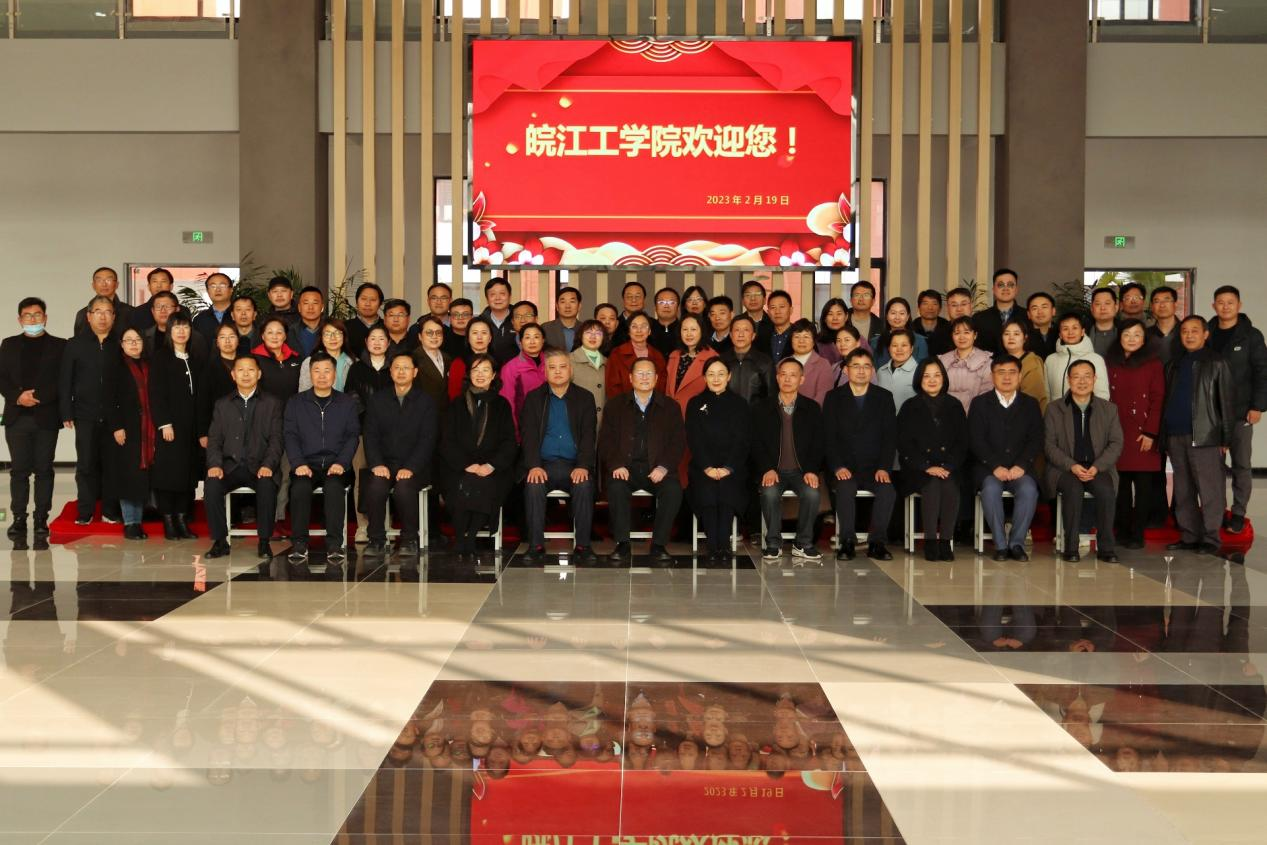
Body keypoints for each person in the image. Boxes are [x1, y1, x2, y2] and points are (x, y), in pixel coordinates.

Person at [600, 358, 686, 564]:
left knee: (673, 491)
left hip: (657, 468)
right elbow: (606, 440)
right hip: (625, 468)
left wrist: (663, 467)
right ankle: (622, 543)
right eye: (640, 373)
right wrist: (617, 464)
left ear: (656, 379)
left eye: (649, 374)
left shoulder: (670, 407)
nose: (644, 377)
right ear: (631, 378)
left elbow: (678, 442)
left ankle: (658, 545)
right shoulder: (615, 405)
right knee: (616, 488)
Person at [1163, 316, 1235, 555]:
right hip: (1176, 435)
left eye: (1195, 331)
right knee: (1183, 490)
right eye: (1184, 331)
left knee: (1209, 489)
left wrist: (1225, 438)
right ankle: (1189, 536)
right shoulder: (1174, 364)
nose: (1189, 335)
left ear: (1205, 334)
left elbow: (1226, 402)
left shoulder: (1217, 362)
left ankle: (1211, 538)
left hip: (1205, 436)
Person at [519, 350, 599, 564]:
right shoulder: (534, 398)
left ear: (571, 370)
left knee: (584, 485)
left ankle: (583, 546)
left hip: (574, 465)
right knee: (533, 485)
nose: (557, 371)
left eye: (562, 367)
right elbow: (528, 436)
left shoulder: (585, 398)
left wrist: (583, 465)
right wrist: (534, 465)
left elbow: (589, 436)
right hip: (543, 465)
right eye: (552, 367)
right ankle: (535, 546)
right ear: (545, 372)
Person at [204, 355, 285, 559]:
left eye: (251, 370)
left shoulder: (272, 403)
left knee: (267, 485)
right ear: (233, 375)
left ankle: (264, 542)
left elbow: (277, 440)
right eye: (240, 370)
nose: (246, 374)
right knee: (212, 485)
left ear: (259, 374)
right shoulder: (223, 404)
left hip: (259, 466)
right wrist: (215, 465)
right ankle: (220, 541)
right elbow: (214, 440)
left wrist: (268, 465)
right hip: (230, 466)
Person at [283, 351, 360, 562]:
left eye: (327, 371)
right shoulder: (296, 402)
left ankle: (334, 545)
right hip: (306, 464)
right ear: (310, 374)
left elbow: (352, 436)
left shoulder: (347, 403)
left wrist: (342, 462)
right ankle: (299, 544)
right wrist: (298, 463)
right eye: (317, 371)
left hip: (337, 465)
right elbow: (290, 435)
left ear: (335, 374)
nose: (322, 375)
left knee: (334, 488)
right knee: (299, 489)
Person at [1044, 360, 1124, 563]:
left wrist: (1098, 466)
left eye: (1087, 376)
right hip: (1065, 469)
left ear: (1095, 379)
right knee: (1073, 490)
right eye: (1076, 377)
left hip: (1098, 468)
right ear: (1069, 380)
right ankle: (1071, 548)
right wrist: (1071, 465)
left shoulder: (1109, 409)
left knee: (1106, 491)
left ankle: (1106, 548)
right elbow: (1048, 445)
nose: (1082, 381)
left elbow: (1116, 443)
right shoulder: (1054, 409)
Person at [1, 297, 66, 548]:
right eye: (27, 315)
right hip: (16, 417)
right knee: (19, 471)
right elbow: (2, 377)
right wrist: (18, 397)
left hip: (46, 416)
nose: (33, 319)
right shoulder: (9, 344)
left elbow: (63, 380)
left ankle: (41, 519)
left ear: (45, 318)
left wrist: (36, 397)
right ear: (20, 320)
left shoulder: (60, 346)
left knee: (43, 470)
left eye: (37, 315)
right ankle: (19, 518)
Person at [360, 352, 438, 558]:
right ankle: (376, 539)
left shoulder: (426, 402)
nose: (401, 372)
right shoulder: (378, 400)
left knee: (404, 489)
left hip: (416, 467)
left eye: (406, 368)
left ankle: (409, 539)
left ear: (415, 372)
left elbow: (427, 440)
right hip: (385, 464)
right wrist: (376, 463)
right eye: (397, 367)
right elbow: (370, 435)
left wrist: (411, 467)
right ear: (391, 372)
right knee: (375, 486)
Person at [968, 355, 1044, 562]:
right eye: (1001, 372)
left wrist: (1022, 465)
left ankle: (1016, 543)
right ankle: (1000, 545)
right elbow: (976, 440)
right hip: (989, 468)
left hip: (1021, 468)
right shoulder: (980, 403)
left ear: (1020, 376)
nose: (1007, 377)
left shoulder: (1030, 404)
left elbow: (1036, 439)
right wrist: (994, 466)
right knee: (991, 490)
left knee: (1028, 490)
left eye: (1012, 372)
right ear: (992, 376)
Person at [439, 354, 517, 556]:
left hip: (493, 467)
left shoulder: (502, 405)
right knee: (463, 484)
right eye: (476, 370)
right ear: (469, 375)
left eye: (485, 370)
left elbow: (509, 442)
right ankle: (460, 536)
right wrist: (467, 465)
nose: (480, 374)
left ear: (493, 375)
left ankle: (471, 537)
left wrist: (490, 465)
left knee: (484, 484)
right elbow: (447, 441)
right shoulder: (456, 404)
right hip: (461, 466)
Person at [824, 349, 896, 560]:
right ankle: (847, 542)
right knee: (844, 489)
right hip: (845, 466)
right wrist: (838, 466)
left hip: (874, 467)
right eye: (856, 366)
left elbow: (890, 437)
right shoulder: (833, 397)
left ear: (872, 370)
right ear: (846, 370)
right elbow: (828, 437)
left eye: (866, 366)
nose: (861, 371)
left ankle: (877, 542)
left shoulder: (884, 397)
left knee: (888, 491)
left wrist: (884, 467)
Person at [1207, 284, 1267, 534]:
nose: (1225, 307)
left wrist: (1258, 406)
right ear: (1214, 305)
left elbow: (1262, 371)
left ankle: (1239, 513)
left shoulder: (1251, 335)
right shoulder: (1207, 332)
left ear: (1239, 305)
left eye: (1230, 302)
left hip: (1242, 411)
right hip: (1212, 412)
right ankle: (1218, 511)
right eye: (1220, 302)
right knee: (1214, 466)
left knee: (1241, 464)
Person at [753, 358, 824, 562]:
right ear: (777, 378)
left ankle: (803, 543)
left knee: (812, 493)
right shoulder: (761, 408)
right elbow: (755, 443)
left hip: (801, 471)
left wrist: (811, 470)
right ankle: (773, 544)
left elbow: (819, 444)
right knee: (769, 493)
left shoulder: (812, 408)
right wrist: (767, 468)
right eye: (783, 374)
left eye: (793, 375)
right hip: (773, 471)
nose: (787, 379)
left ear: (802, 379)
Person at [59, 295, 121, 525]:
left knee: (112, 464)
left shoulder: (120, 344)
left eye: (107, 312)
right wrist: (66, 412)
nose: (103, 317)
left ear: (114, 316)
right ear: (88, 316)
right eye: (98, 312)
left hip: (115, 416)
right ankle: (85, 511)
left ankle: (109, 510)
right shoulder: (75, 344)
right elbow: (65, 380)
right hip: (84, 414)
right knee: (86, 464)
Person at [898, 358, 967, 562]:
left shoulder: (954, 405)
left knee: (950, 485)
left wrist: (948, 466)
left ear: (943, 378)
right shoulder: (909, 406)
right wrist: (926, 466)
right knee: (932, 485)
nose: (932, 380)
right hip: (918, 467)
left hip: (948, 466)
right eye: (926, 376)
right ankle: (930, 541)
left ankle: (945, 541)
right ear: (919, 380)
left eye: (937, 375)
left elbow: (962, 442)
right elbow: (903, 443)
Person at [1106, 319, 1165, 549]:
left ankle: (1138, 533)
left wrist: (1151, 432)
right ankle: (1122, 530)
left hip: (1143, 433)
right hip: (1117, 430)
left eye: (1137, 334)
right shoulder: (1110, 362)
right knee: (1120, 486)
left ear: (1144, 339)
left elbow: (1158, 399)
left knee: (1143, 488)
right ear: (1119, 337)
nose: (1131, 339)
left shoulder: (1153, 364)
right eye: (1127, 334)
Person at [685, 359, 751, 560]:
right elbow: (694, 439)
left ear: (729, 376)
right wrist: (707, 467)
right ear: (704, 377)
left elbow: (743, 440)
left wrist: (728, 468)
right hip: (702, 466)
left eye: (721, 374)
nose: (716, 378)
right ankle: (713, 546)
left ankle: (724, 544)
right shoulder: (695, 403)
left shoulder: (740, 404)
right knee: (707, 492)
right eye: (711, 374)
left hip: (732, 467)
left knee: (727, 491)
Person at [149, 312, 205, 541]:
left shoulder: (196, 358)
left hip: (191, 427)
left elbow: (201, 397)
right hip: (170, 427)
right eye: (177, 327)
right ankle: (169, 520)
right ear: (169, 331)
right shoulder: (160, 357)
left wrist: (201, 430)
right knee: (168, 474)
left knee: (187, 474)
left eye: (185, 327)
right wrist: (164, 423)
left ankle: (182, 519)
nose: (181, 332)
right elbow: (156, 394)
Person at [103, 327, 154, 540]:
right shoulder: (115, 366)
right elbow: (108, 399)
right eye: (128, 340)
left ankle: (140, 519)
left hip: (148, 428)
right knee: (128, 476)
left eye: (137, 339)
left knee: (142, 475)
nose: (133, 343)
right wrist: (116, 426)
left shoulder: (150, 365)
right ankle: (131, 522)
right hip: (126, 428)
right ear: (121, 344)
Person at [1045, 312, 1110, 402]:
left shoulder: (1096, 359)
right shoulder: (1051, 360)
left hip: (1088, 410)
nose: (1070, 332)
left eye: (1075, 328)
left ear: (1082, 332)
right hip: (1056, 410)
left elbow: (1102, 394)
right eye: (1065, 329)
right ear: (1060, 335)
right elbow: (1046, 394)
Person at [665, 314, 719, 416]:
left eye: (693, 329)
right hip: (672, 415)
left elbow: (716, 393)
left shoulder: (712, 357)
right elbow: (668, 391)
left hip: (698, 415)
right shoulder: (674, 356)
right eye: (685, 329)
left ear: (702, 331)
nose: (688, 334)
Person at [197, 322, 241, 447]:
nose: (227, 341)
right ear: (217, 342)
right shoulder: (208, 368)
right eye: (222, 337)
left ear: (238, 340)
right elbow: (202, 402)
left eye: (231, 336)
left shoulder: (247, 363)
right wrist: (203, 433)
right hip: (218, 426)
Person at [499, 322, 547, 436]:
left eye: (536, 337)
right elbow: (508, 403)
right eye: (527, 337)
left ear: (543, 340)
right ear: (520, 342)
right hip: (525, 429)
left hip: (551, 427)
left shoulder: (552, 364)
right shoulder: (510, 368)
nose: (532, 341)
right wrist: (515, 433)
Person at [606, 313, 667, 400]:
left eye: (643, 326)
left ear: (649, 331)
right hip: (624, 405)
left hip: (654, 405)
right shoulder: (617, 354)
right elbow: (612, 387)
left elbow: (662, 385)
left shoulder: (657, 355)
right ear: (628, 331)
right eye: (634, 326)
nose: (639, 330)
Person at [939, 316, 993, 413]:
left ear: (975, 335)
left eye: (966, 332)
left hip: (976, 415)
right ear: (952, 336)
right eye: (957, 333)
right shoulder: (942, 360)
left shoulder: (986, 362)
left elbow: (987, 394)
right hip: (946, 415)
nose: (962, 337)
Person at [972, 268, 1029, 354]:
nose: (1006, 288)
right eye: (1001, 285)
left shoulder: (1028, 316)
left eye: (1010, 285)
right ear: (993, 289)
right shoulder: (979, 318)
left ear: (1016, 289)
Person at [722, 314, 773, 405]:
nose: (741, 334)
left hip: (755, 413)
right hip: (726, 412)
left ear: (753, 335)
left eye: (746, 330)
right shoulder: (721, 360)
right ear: (730, 335)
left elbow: (771, 396)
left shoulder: (765, 362)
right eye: (737, 330)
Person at [1001, 319, 1048, 415]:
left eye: (1016, 334)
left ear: (1025, 338)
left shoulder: (1032, 363)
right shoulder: (999, 363)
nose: (1011, 337)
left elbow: (1032, 400)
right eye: (1006, 334)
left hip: (1026, 418)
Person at [253, 316, 303, 399]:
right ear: (263, 336)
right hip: (265, 406)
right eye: (270, 332)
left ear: (285, 336)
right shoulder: (254, 359)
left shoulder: (296, 358)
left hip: (293, 406)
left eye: (279, 333)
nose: (274, 337)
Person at [73, 267, 133, 337]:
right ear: (93, 285)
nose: (104, 284)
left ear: (116, 284)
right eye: (99, 280)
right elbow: (78, 341)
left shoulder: (130, 312)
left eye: (108, 280)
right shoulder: (83, 313)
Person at [298, 319, 354, 392]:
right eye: (327, 334)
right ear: (321, 338)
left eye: (337, 333)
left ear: (344, 336)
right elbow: (303, 393)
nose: (333, 338)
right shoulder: (309, 362)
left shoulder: (352, 362)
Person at [569, 319, 607, 422]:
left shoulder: (608, 362)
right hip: (578, 419)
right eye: (588, 332)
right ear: (580, 336)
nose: (593, 336)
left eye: (598, 333)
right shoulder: (569, 360)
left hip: (604, 421)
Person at [411, 315, 451, 412]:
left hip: (446, 413)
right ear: (420, 336)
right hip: (422, 413)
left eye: (438, 333)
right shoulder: (413, 359)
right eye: (429, 333)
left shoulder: (448, 358)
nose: (434, 336)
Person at [874, 297, 929, 366]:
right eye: (893, 313)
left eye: (902, 313)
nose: (897, 317)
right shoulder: (875, 342)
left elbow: (923, 368)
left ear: (908, 317)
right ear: (887, 316)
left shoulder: (920, 341)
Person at [876, 328, 920, 410]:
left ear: (911, 349)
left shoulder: (920, 372)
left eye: (904, 345)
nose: (899, 349)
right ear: (889, 349)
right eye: (894, 345)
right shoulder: (881, 371)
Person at [191, 272, 235, 345]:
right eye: (213, 286)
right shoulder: (199, 320)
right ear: (207, 291)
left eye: (222, 285)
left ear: (231, 289)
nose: (218, 289)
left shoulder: (240, 315)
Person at [344, 282, 384, 358]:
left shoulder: (387, 327)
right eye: (363, 299)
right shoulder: (344, 327)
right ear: (356, 302)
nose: (367, 304)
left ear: (380, 304)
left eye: (373, 300)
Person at [128, 267, 175, 331]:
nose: (159, 286)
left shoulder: (183, 311)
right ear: (149, 286)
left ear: (171, 286)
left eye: (163, 281)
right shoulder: (137, 312)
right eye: (154, 281)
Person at [1147, 285, 1181, 365]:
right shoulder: (1146, 334)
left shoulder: (1186, 332)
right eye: (1157, 301)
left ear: (1176, 304)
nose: (1162, 305)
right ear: (1152, 306)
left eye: (1167, 300)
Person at [542, 286, 583, 352]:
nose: (567, 306)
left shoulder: (585, 329)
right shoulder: (545, 328)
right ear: (557, 306)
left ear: (579, 306)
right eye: (563, 302)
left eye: (572, 301)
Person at [914, 289, 952, 358]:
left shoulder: (949, 328)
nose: (930, 307)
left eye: (934, 304)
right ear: (918, 308)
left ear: (940, 308)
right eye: (925, 303)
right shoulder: (911, 328)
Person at [741, 280, 775, 351]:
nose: (753, 299)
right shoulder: (736, 323)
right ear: (743, 301)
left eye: (757, 294)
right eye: (748, 295)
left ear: (764, 300)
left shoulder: (774, 323)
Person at [829, 324, 865, 389]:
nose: (842, 344)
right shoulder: (835, 367)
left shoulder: (866, 367)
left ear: (858, 343)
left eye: (847, 340)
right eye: (838, 340)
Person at [648, 287, 681, 358]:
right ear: (655, 308)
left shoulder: (685, 329)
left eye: (671, 302)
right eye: (661, 302)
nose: (666, 306)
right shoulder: (647, 329)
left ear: (678, 308)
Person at [1026, 292, 1059, 359]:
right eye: (1035, 308)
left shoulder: (1063, 333)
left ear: (1053, 311)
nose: (1040, 312)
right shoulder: (1022, 336)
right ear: (1028, 314)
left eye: (1044, 307)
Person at [816, 298, 849, 363]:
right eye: (830, 314)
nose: (835, 318)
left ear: (846, 317)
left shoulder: (857, 338)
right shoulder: (816, 342)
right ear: (825, 318)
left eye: (839, 314)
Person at [1089, 288, 1120, 357]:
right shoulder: (1081, 332)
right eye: (1098, 304)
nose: (1103, 308)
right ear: (1091, 309)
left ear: (1116, 307)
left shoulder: (1125, 330)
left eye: (1107, 303)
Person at [766, 290, 795, 362]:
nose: (777, 312)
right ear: (768, 312)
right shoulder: (762, 336)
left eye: (782, 307)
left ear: (791, 310)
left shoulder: (798, 334)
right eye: (773, 307)